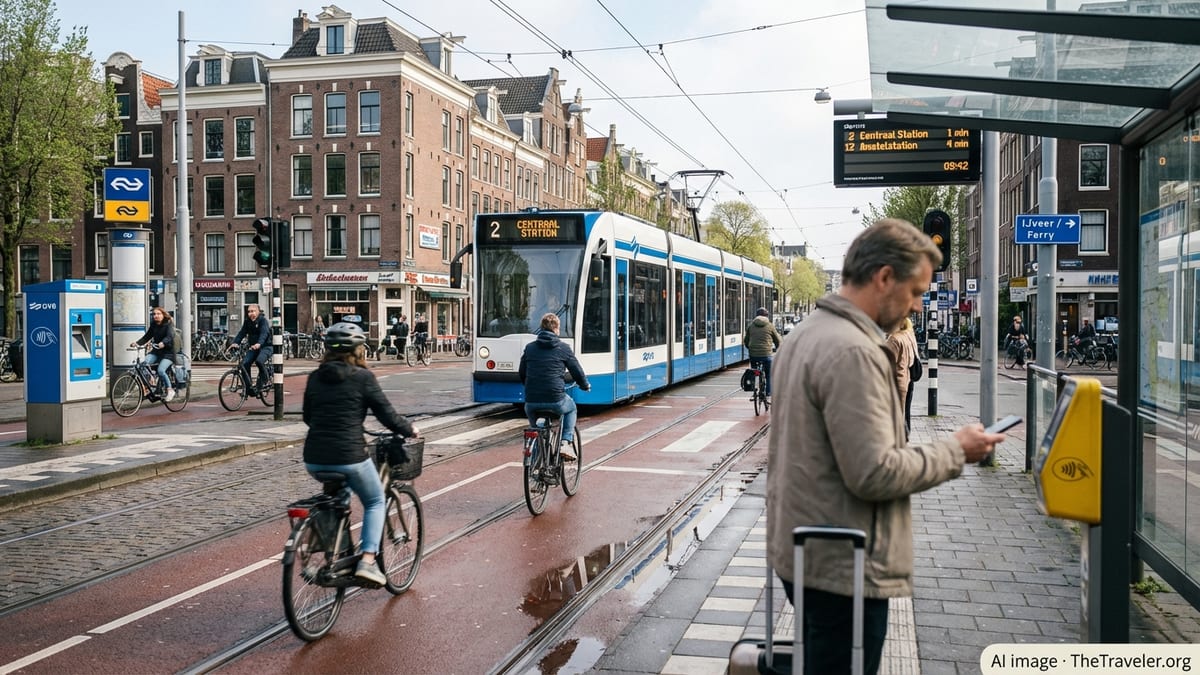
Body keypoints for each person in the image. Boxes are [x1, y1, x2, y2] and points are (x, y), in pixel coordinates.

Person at [767, 219, 1003, 675]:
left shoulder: (808, 332)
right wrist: (956, 450)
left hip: (807, 548)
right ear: (883, 277)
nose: (916, 304)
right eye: (915, 291)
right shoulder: (854, 350)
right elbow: (874, 472)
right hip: (843, 561)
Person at [301, 322, 419, 585]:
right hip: (349, 456)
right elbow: (387, 415)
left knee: (338, 498)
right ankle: (367, 561)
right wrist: (409, 428)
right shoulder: (363, 378)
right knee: (376, 500)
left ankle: (324, 555)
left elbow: (309, 417)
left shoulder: (314, 377)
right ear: (358, 350)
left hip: (314, 458)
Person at [519, 313, 590, 461]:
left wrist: (529, 386)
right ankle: (565, 441)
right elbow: (576, 370)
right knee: (571, 409)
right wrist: (585, 385)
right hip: (556, 399)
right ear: (556, 329)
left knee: (536, 431)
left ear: (541, 328)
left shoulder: (530, 348)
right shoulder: (563, 348)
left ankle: (536, 465)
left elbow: (522, 372)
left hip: (531, 401)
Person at [131, 306, 177, 402]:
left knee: (161, 370)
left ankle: (170, 389)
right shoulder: (154, 325)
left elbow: (170, 336)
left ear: (163, 315)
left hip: (168, 354)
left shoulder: (168, 325)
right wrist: (137, 343)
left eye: (158, 314)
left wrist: (163, 343)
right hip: (156, 352)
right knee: (143, 364)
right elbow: (147, 337)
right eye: (154, 314)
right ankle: (149, 386)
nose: (156, 316)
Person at [886, 317, 920, 435]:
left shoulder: (895, 339)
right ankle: (905, 437)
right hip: (908, 380)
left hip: (897, 383)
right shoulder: (909, 335)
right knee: (906, 413)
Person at [743, 307, 783, 398]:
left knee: (754, 372)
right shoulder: (770, 325)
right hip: (766, 355)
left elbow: (746, 340)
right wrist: (778, 349)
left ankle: (753, 389)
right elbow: (777, 340)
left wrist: (750, 348)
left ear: (756, 315)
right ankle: (768, 393)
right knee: (768, 374)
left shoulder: (751, 326)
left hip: (753, 355)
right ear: (767, 316)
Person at [233, 304, 272, 391]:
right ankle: (248, 387)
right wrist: (235, 342)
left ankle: (265, 378)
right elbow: (242, 332)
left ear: (258, 312)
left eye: (253, 311)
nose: (251, 313)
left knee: (259, 361)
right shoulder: (247, 321)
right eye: (249, 311)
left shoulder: (263, 321)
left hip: (265, 347)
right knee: (244, 364)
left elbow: (264, 333)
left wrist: (259, 343)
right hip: (253, 348)